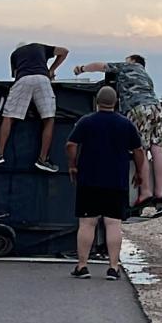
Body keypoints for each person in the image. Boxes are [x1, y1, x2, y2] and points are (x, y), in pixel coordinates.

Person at [65, 86, 147, 280]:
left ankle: (82, 266)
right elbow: (138, 150)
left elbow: (70, 144)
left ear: (97, 102)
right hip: (116, 181)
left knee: (87, 223)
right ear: (116, 102)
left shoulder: (86, 122)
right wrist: (139, 172)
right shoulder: (126, 124)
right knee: (113, 224)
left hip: (89, 179)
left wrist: (72, 165)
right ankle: (113, 267)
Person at [73, 55, 162, 206]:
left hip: (138, 109)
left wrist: (82, 69)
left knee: (140, 149)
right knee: (157, 149)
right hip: (156, 108)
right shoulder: (146, 77)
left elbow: (100, 65)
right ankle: (160, 192)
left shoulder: (127, 67)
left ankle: (145, 192)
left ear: (133, 61)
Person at [0, 42, 69, 173]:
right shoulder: (40, 47)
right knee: (49, 119)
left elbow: (15, 75)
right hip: (42, 79)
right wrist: (51, 70)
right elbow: (64, 51)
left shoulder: (15, 54)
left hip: (23, 79)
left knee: (8, 117)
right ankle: (43, 159)